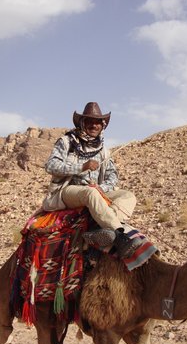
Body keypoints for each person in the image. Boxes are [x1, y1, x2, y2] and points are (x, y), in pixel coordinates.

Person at [42, 102, 140, 257]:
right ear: (82, 123)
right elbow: (51, 165)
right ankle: (119, 237)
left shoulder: (104, 151)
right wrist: (82, 167)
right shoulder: (67, 142)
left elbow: (112, 176)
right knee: (90, 194)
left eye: (97, 122)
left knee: (128, 196)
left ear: (102, 125)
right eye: (89, 121)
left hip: (97, 191)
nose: (94, 125)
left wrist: (102, 188)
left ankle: (102, 229)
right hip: (68, 191)